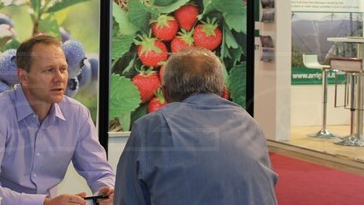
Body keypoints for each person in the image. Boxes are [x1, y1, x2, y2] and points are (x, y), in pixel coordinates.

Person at [114, 47, 277, 205]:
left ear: (165, 94)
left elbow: (127, 199)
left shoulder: (149, 128)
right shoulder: (249, 124)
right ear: (223, 92)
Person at [0, 34, 115, 205]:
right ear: (23, 77)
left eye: (63, 69)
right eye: (49, 70)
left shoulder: (78, 114)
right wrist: (44, 203)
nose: (59, 78)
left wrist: (106, 191)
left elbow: (100, 172)